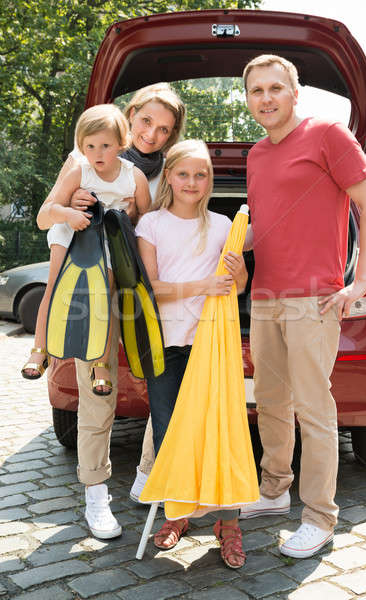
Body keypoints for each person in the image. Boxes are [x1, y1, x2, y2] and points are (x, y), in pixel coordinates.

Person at [239, 55, 366, 558]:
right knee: (271, 404)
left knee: (314, 408)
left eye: (275, 88)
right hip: (264, 298)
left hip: (313, 300)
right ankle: (274, 490)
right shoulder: (256, 155)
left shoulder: (327, 134)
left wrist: (359, 282)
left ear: (295, 93)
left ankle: (320, 516)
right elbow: (264, 229)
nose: (266, 98)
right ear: (248, 98)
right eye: (256, 90)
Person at [29, 84, 185, 540]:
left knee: (164, 385)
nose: (152, 134)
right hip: (89, 288)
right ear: (128, 115)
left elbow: (156, 227)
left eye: (164, 129)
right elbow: (52, 213)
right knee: (97, 396)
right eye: (145, 122)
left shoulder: (169, 173)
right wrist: (73, 206)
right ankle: (96, 494)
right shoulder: (87, 159)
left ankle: (147, 476)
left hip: (141, 290)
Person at [136, 139, 248, 569]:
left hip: (211, 342)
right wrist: (203, 285)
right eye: (184, 173)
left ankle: (228, 523)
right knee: (170, 434)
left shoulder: (222, 225)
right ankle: (178, 514)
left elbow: (235, 288)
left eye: (201, 175)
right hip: (165, 345)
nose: (192, 182)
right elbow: (151, 289)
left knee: (223, 431)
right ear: (169, 176)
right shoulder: (151, 225)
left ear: (209, 181)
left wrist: (237, 277)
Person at [23, 103, 150, 398]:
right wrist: (68, 214)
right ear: (81, 147)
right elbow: (46, 213)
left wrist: (129, 217)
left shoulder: (134, 177)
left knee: (103, 299)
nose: (97, 153)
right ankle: (40, 349)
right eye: (89, 146)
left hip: (106, 238)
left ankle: (100, 364)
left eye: (105, 145)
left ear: (122, 143)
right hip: (71, 233)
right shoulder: (78, 172)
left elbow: (147, 218)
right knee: (54, 287)